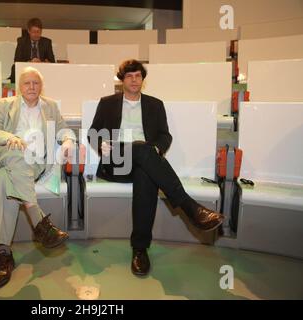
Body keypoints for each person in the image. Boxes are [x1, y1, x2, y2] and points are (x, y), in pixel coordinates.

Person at [88, 59, 224, 276]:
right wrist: (101, 143)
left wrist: (158, 149)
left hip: (145, 160)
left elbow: (165, 136)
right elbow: (93, 131)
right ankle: (190, 207)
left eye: (138, 76)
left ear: (143, 79)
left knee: (146, 173)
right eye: (129, 76)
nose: (134, 80)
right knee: (143, 150)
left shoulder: (155, 104)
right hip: (117, 161)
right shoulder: (107, 102)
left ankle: (139, 250)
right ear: (122, 80)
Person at [0, 67, 74, 288]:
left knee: (4, 182)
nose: (32, 87)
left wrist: (68, 141)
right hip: (2, 156)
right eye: (27, 83)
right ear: (19, 87)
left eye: (36, 83)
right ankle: (39, 222)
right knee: (16, 151)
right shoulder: (4, 105)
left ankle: (3, 254)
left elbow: (64, 129)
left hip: (32, 165)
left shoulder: (50, 107)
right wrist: (11, 137)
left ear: (41, 86)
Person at [9, 18, 55, 83]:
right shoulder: (22, 41)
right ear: (29, 31)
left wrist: (42, 62)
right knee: (14, 67)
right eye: (34, 32)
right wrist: (30, 62)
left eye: (38, 32)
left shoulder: (47, 42)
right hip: (26, 67)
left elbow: (52, 61)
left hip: (42, 68)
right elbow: (17, 60)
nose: (36, 34)